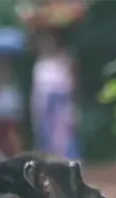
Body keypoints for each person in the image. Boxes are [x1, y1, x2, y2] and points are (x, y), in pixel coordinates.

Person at [30, 30, 80, 160]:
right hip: (45, 104)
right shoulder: (39, 63)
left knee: (65, 137)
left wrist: (73, 106)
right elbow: (37, 90)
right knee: (47, 137)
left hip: (62, 103)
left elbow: (72, 85)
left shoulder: (64, 60)